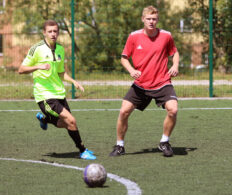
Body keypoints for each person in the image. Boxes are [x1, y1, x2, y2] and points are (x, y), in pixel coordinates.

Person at [18, 20, 96, 160]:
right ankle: (82, 150)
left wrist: (74, 82)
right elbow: (21, 69)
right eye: (50, 31)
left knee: (67, 124)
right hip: (44, 95)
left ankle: (45, 119)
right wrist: (38, 67)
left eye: (55, 31)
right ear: (44, 33)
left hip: (59, 93)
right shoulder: (36, 49)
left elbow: (61, 73)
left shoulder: (60, 49)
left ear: (58, 33)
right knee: (71, 120)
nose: (53, 34)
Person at [109, 5, 180, 157]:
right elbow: (124, 58)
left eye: (154, 19)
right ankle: (119, 145)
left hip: (162, 82)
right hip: (141, 85)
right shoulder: (134, 37)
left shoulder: (166, 36)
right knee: (123, 111)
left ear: (157, 20)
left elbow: (174, 53)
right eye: (148, 19)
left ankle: (164, 142)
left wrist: (175, 65)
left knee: (173, 110)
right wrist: (132, 70)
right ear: (143, 19)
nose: (151, 22)